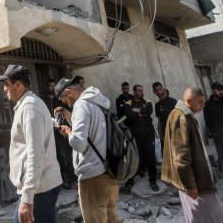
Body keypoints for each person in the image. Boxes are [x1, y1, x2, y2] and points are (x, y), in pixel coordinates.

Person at [0, 65, 61, 223]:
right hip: (39, 187)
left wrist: (27, 198)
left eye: (7, 84)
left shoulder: (30, 108)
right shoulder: (29, 105)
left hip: (40, 189)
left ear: (18, 85)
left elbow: (35, 154)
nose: (4, 89)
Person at [55, 75, 118, 223]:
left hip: (92, 177)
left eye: (65, 100)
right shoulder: (97, 102)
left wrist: (68, 132)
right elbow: (91, 130)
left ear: (69, 92)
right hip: (108, 172)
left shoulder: (81, 105)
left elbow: (79, 143)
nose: (66, 103)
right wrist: (68, 116)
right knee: (111, 219)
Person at [163, 86, 223, 222]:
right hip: (194, 183)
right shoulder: (180, 117)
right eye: (200, 102)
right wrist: (190, 185)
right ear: (189, 100)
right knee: (209, 216)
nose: (203, 105)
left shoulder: (186, 115)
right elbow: (180, 156)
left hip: (198, 180)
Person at [42, 78, 77, 188]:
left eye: (54, 86)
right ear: (47, 87)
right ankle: (61, 181)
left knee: (67, 155)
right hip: (50, 133)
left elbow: (68, 114)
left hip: (63, 131)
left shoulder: (60, 101)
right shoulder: (43, 101)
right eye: (50, 86)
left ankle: (72, 179)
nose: (52, 88)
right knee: (58, 157)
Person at [123, 84, 159, 191]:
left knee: (150, 157)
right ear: (134, 92)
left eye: (142, 90)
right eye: (139, 90)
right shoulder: (128, 103)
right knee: (135, 158)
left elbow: (148, 112)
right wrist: (138, 113)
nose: (141, 92)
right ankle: (130, 180)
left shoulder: (147, 102)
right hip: (136, 135)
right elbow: (128, 115)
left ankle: (153, 181)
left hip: (149, 134)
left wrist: (137, 112)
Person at [152, 81, 177, 152]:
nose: (159, 92)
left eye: (160, 89)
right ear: (154, 92)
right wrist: (160, 135)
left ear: (163, 89)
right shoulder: (157, 105)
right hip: (165, 134)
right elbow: (159, 120)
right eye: (156, 90)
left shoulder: (173, 101)